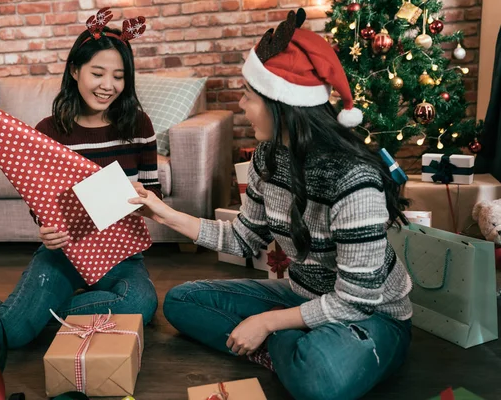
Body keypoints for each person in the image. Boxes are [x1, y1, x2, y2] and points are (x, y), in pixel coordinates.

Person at [129, 9, 413, 400]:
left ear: (280, 103)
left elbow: (357, 299)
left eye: (248, 96)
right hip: (301, 296)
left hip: (370, 315)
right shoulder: (268, 158)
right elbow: (245, 239)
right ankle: (289, 347)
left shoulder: (353, 180)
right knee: (182, 301)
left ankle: (284, 345)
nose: (242, 106)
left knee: (321, 380)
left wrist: (267, 322)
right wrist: (165, 213)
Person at [0, 9, 159, 349]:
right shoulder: (48, 132)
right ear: (76, 70)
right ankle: (9, 316)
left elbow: (155, 197)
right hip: (66, 252)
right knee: (14, 335)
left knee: (141, 305)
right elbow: (41, 202)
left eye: (119, 76)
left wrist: (145, 200)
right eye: (97, 73)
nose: (108, 85)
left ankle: (35, 316)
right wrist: (46, 228)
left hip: (122, 255)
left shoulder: (138, 126)